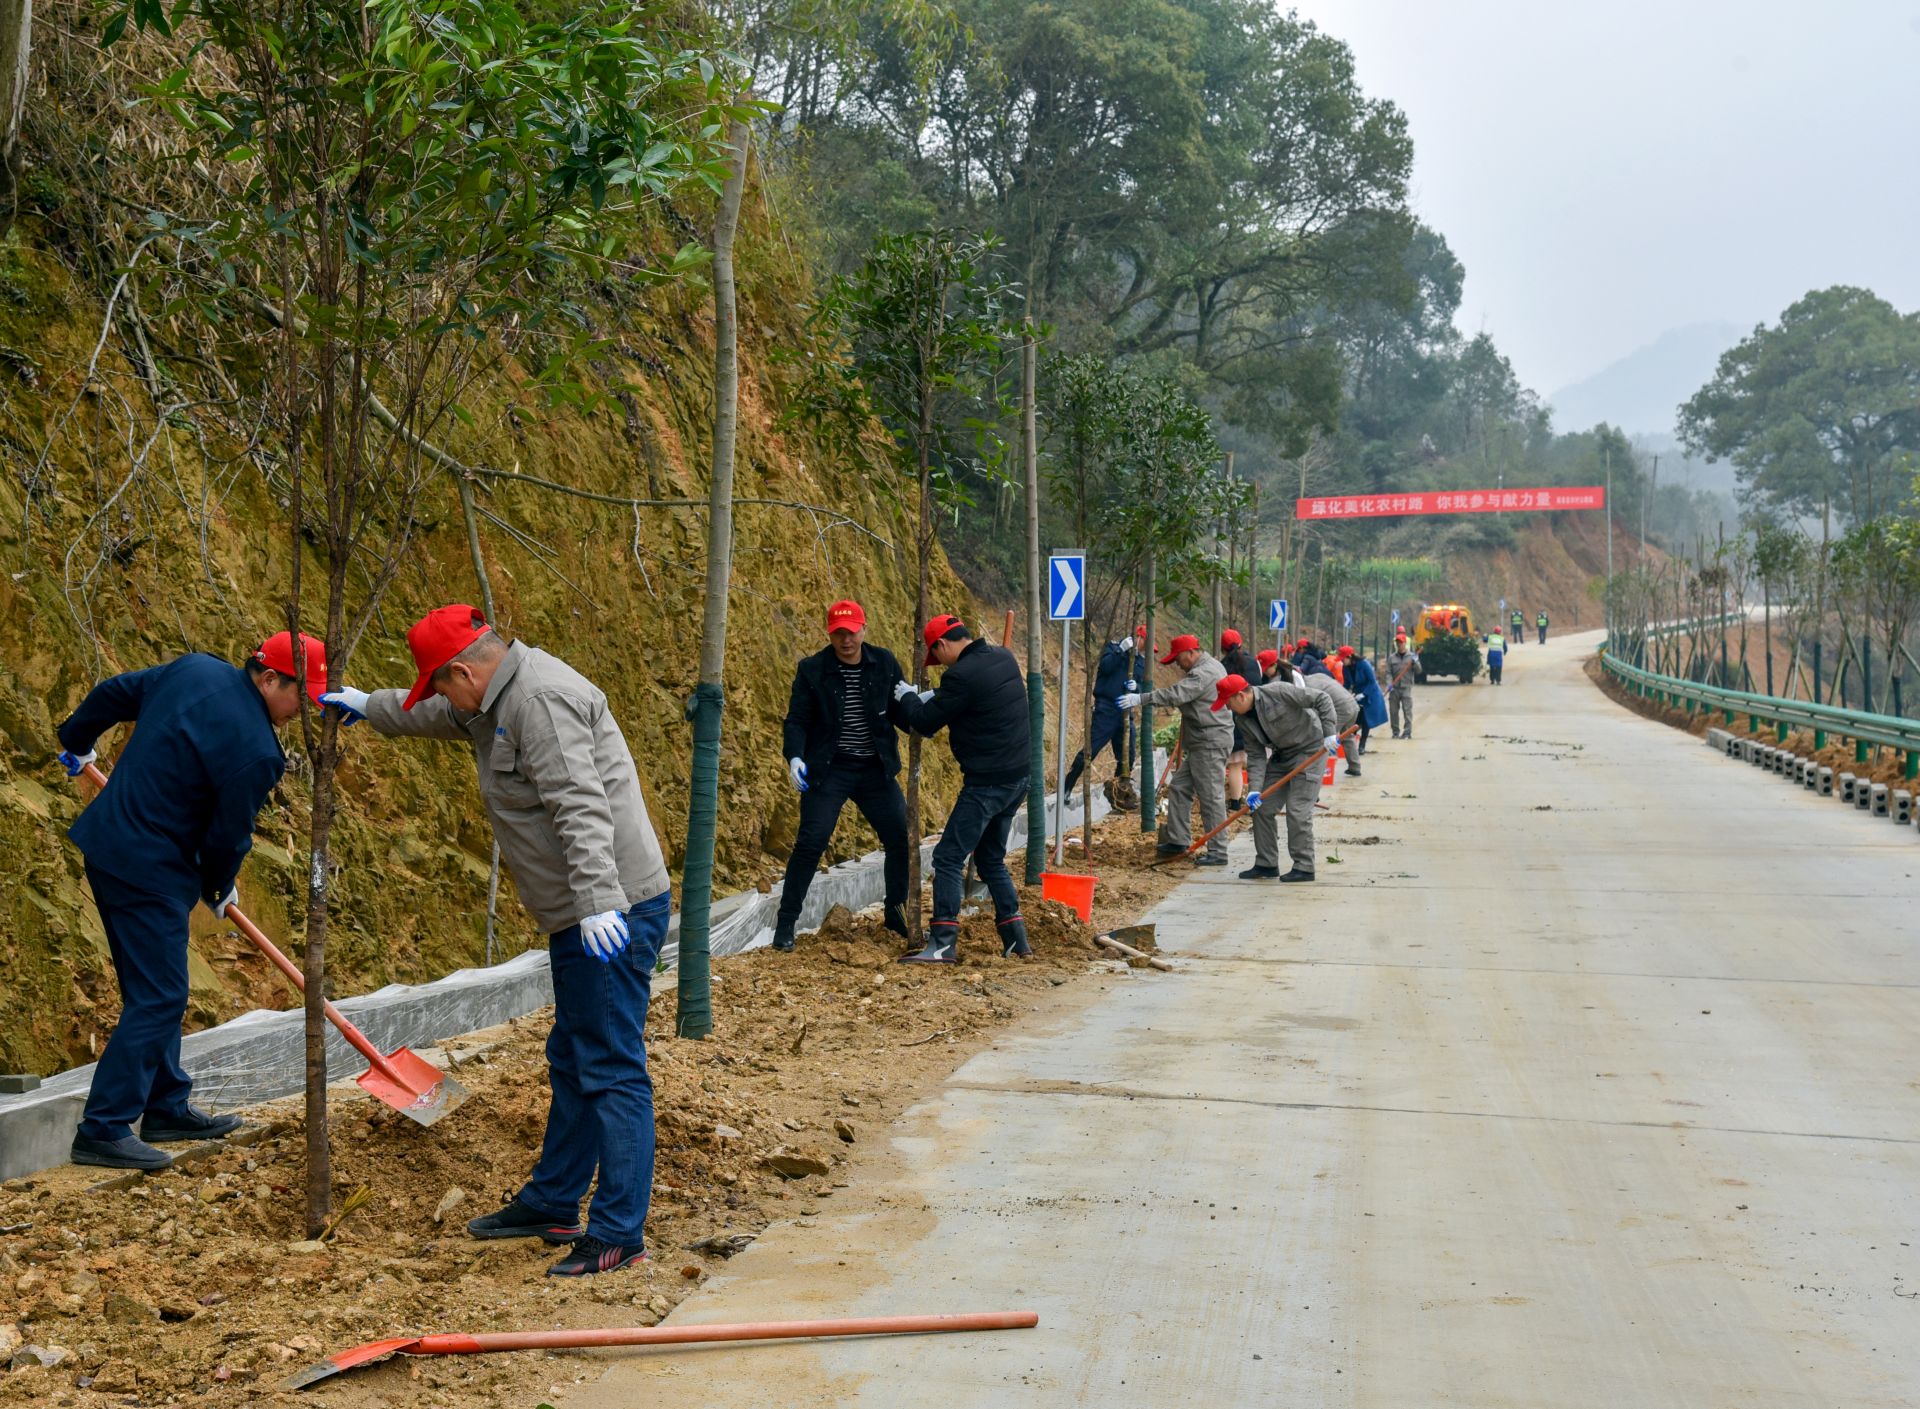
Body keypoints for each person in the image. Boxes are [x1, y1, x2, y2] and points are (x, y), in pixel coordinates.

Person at [321, 606, 670, 1278]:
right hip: (581, 908)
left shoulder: (539, 701)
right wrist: (373, 706)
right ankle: (554, 1201)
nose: (443, 700)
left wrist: (598, 904)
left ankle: (620, 1231)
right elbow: (436, 715)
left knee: (610, 1065)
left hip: (608, 909)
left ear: (463, 669)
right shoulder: (493, 695)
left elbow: (580, 803)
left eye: (441, 684)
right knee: (574, 1053)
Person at [53, 631, 326, 1171]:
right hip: (147, 870)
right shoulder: (258, 750)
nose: (307, 709)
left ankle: (166, 1104)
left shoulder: (193, 669)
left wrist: (77, 739)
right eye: (304, 695)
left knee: (153, 984)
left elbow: (113, 693)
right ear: (270, 678)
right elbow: (227, 836)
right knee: (160, 996)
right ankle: (103, 1128)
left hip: (111, 846)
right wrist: (221, 884)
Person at [892, 614, 1033, 964]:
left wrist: (909, 698)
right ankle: (1017, 941)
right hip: (1018, 778)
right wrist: (936, 694)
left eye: (935, 657)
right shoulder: (1003, 657)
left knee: (949, 857)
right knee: (989, 858)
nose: (937, 665)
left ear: (941, 645)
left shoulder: (961, 675)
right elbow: (972, 694)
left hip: (988, 783)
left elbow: (923, 724)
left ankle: (942, 943)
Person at [775, 599, 911, 952]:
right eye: (838, 633)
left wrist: (919, 707)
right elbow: (797, 720)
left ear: (864, 630)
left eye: (851, 632)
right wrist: (794, 757)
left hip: (874, 767)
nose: (846, 640)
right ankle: (786, 924)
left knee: (899, 834)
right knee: (811, 841)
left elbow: (901, 710)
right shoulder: (812, 670)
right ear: (829, 633)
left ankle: (897, 915)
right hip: (829, 768)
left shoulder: (884, 663)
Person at [1217, 666, 1338, 883]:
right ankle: (1266, 863)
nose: (1227, 707)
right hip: (1283, 756)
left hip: (1311, 750)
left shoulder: (1279, 691)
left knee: (1297, 810)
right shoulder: (1242, 719)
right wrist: (1255, 789)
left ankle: (1304, 866)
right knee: (1261, 808)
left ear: (1241, 696)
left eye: (1228, 702)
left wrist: (1329, 734)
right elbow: (1255, 755)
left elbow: (1322, 699)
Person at [1119, 633, 1231, 866]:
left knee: (1211, 798)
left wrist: (1141, 698)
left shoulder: (1204, 673)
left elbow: (1176, 694)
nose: (1178, 664)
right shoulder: (1209, 666)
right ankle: (1179, 839)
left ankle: (1218, 851)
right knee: (1179, 788)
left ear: (1191, 652)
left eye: (1178, 659)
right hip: (1203, 741)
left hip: (1209, 742)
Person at [1063, 628, 1147, 797]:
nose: (1147, 648)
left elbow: (1142, 686)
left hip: (1125, 713)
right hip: (1106, 709)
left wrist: (1136, 688)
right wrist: (1120, 650)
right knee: (1090, 751)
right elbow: (1105, 667)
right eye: (1146, 642)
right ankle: (1067, 786)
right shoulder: (1114, 649)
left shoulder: (1141, 662)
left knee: (1127, 758)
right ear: (1138, 637)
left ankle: (1117, 794)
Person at [1218, 629, 1262, 806]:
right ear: (1241, 644)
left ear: (1222, 648)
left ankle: (1217, 801)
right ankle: (1237, 802)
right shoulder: (1254, 663)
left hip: (1226, 719)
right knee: (1237, 764)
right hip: (1248, 719)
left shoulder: (1221, 667)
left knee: (1221, 763)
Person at [1302, 664, 1360, 774]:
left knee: (1325, 738)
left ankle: (1321, 771)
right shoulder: (1318, 676)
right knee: (1347, 737)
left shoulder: (1307, 687)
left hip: (1341, 709)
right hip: (1353, 705)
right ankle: (1355, 767)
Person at [1337, 645, 1388, 764]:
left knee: (1366, 720)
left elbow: (1372, 681)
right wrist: (1343, 693)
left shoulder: (1364, 664)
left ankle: (1362, 745)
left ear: (1350, 657)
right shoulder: (1346, 668)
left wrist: (1364, 694)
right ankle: (1350, 745)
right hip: (1358, 693)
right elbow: (1347, 683)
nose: (1341, 661)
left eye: (1343, 658)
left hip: (1370, 693)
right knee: (1355, 719)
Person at [1385, 633, 1420, 739]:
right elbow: (1388, 672)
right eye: (1397, 642)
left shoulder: (1412, 657)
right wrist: (1389, 683)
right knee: (1393, 711)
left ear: (1405, 643)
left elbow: (1419, 671)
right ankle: (1395, 732)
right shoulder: (1391, 658)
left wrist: (1415, 663)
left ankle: (1407, 732)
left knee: (1407, 710)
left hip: (1406, 688)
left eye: (1401, 642)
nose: (1399, 644)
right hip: (1394, 688)